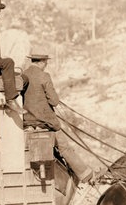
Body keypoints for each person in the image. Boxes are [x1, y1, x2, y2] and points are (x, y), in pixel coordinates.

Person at [22, 53, 93, 183]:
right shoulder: (44, 76)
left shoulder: (23, 75)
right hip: (45, 122)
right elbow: (54, 101)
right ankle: (85, 175)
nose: (46, 65)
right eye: (46, 62)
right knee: (64, 146)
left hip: (27, 122)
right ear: (42, 62)